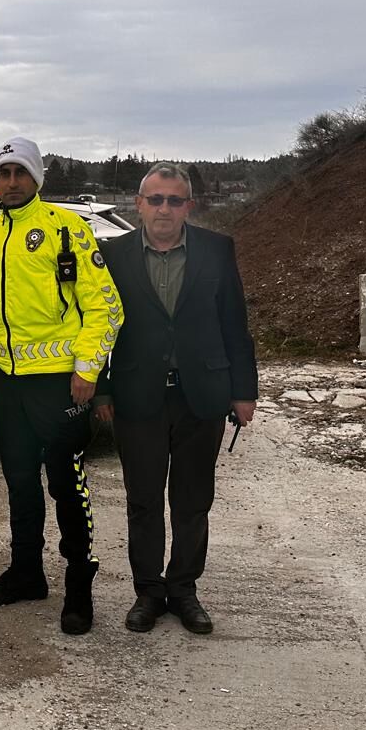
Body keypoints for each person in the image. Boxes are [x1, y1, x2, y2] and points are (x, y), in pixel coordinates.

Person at [94, 162, 257, 636]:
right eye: (156, 199)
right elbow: (100, 327)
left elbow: (234, 325)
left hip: (201, 397)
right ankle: (148, 591)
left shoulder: (217, 250)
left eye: (175, 200)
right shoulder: (113, 254)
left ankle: (184, 589)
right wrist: (102, 387)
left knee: (192, 501)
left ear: (189, 205)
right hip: (136, 395)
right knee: (142, 501)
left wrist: (244, 391)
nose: (165, 208)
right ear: (139, 204)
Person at [0, 137, 122, 634]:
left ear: (37, 178)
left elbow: (105, 306)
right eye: (3, 174)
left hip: (60, 385)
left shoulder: (66, 228)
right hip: (11, 387)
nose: (11, 182)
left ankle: (80, 584)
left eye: (19, 173)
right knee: (19, 482)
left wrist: (86, 370)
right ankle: (26, 572)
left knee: (66, 484)